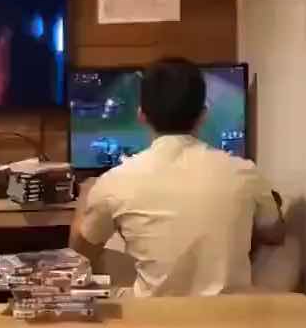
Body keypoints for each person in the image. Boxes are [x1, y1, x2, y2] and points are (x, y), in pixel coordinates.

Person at [69, 57, 286, 297]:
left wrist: (86, 197)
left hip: (152, 315)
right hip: (230, 315)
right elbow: (275, 234)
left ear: (141, 115)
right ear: (203, 115)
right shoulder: (245, 172)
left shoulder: (113, 182)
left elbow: (81, 255)